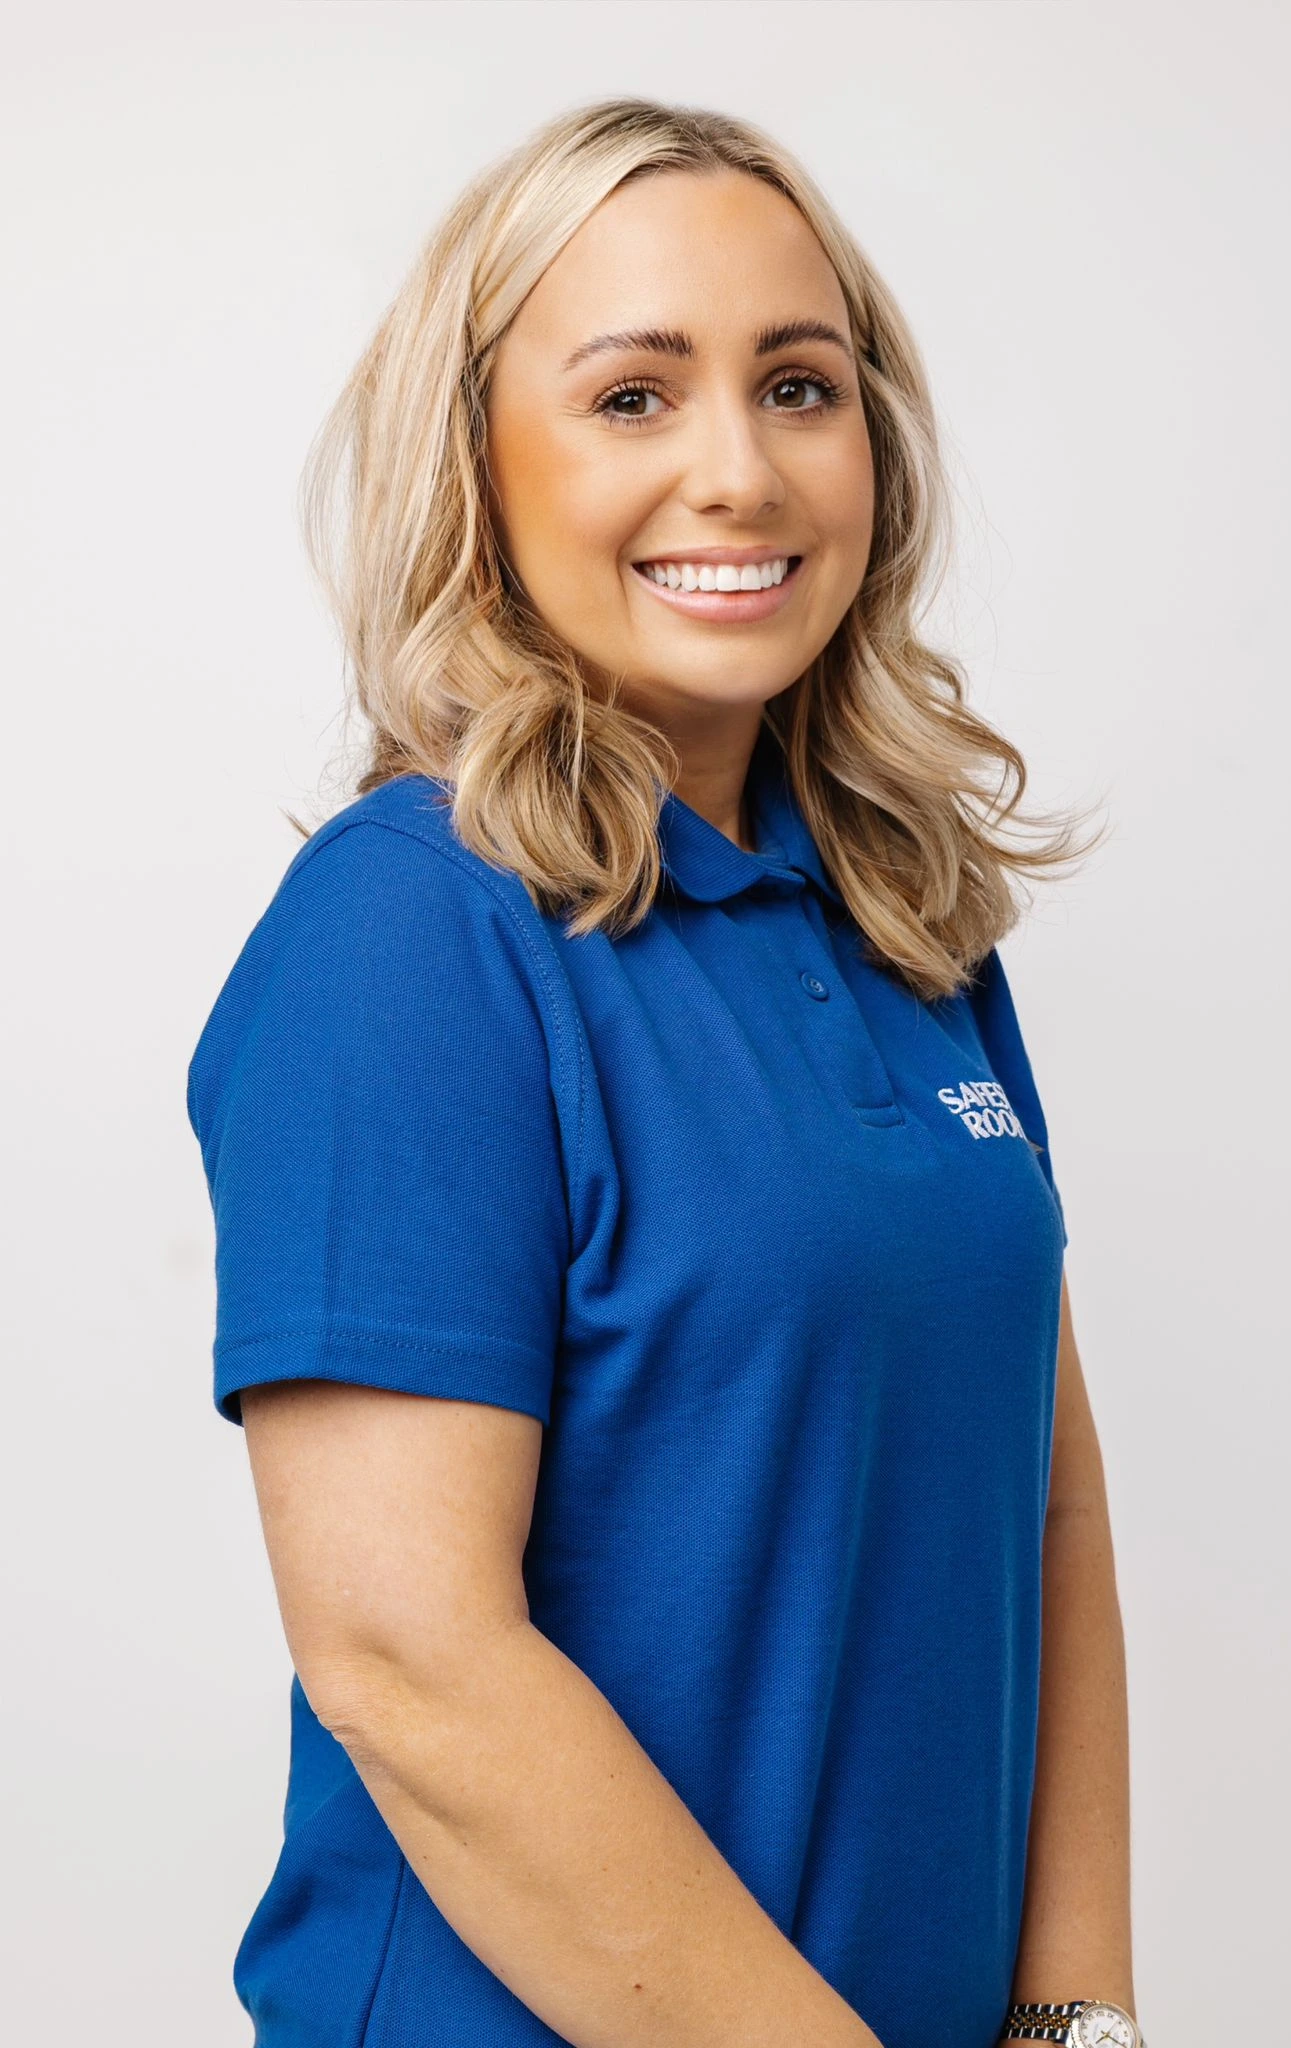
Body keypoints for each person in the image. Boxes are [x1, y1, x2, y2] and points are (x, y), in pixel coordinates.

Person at [186, 96, 1141, 2048]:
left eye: (798, 385)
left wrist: (1074, 2022)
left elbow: (1040, 1511)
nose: (737, 470)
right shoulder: (409, 930)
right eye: (632, 396)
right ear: (477, 461)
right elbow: (409, 1660)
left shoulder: (901, 917)